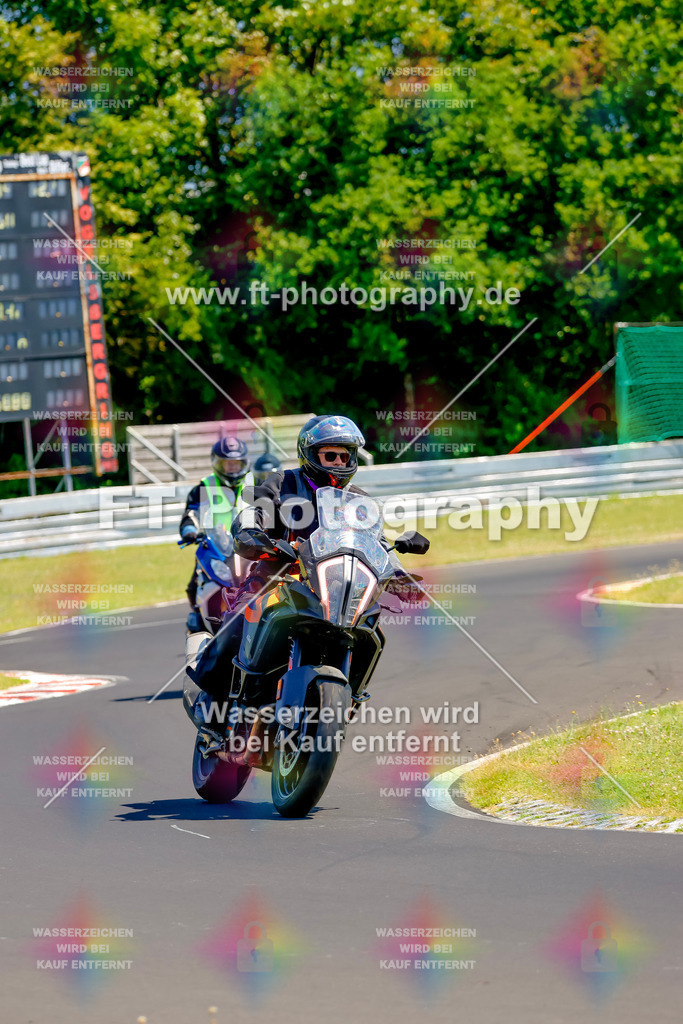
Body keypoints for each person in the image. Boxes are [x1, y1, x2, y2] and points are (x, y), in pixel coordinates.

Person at [189, 414, 422, 715]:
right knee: (240, 616)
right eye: (330, 455)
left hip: (335, 588)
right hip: (278, 577)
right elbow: (253, 512)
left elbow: (376, 543)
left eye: (344, 455)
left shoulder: (360, 501)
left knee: (371, 627)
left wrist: (399, 574)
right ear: (310, 454)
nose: (338, 462)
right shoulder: (282, 483)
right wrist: (252, 534)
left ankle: (350, 694)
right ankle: (212, 702)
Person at [179, 436, 254, 630]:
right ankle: (200, 628)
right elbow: (192, 512)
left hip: (250, 548)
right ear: (217, 464)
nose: (232, 468)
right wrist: (190, 530)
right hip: (216, 548)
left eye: (236, 464)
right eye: (227, 464)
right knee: (194, 586)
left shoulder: (255, 485)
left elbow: (271, 510)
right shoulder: (204, 487)